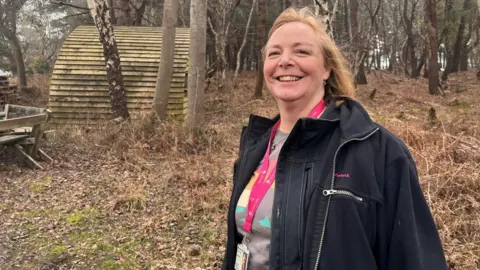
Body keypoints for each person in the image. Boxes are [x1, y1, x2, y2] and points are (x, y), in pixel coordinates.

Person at [221, 6, 448, 270]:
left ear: (327, 68)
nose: (284, 61)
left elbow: (414, 259)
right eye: (274, 53)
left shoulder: (378, 152)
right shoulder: (255, 146)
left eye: (301, 51)